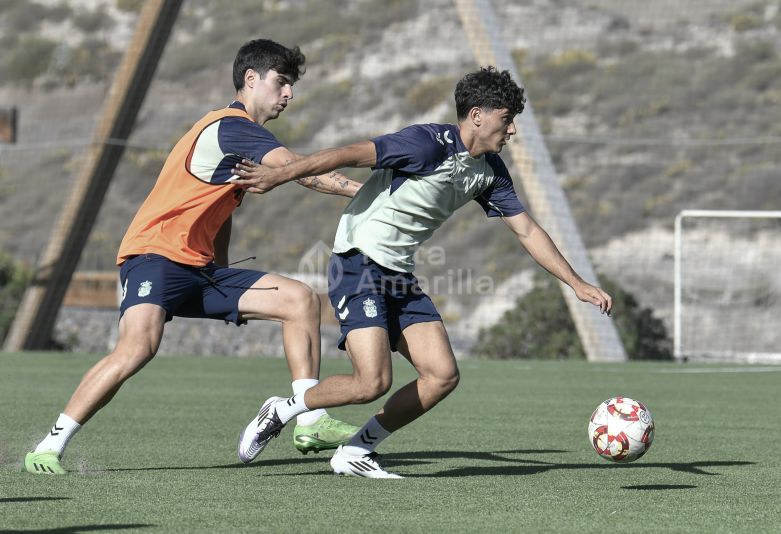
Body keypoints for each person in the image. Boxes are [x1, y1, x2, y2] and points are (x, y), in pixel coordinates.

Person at [232, 66, 613, 478]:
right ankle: (285, 408)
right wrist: (278, 174)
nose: (513, 130)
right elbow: (346, 154)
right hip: (358, 261)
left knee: (442, 375)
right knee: (371, 382)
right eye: (507, 119)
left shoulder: (490, 171)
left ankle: (357, 450)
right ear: (478, 116)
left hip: (398, 274)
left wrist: (576, 283)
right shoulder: (425, 144)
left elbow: (526, 229)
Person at [23, 39, 362, 475]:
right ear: (251, 79)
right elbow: (299, 171)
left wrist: (219, 265)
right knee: (137, 349)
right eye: (282, 83)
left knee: (299, 299)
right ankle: (49, 446)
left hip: (199, 269)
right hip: (155, 256)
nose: (288, 94)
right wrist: (368, 192)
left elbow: (220, 210)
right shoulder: (231, 126)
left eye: (291, 86)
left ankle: (310, 420)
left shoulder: (239, 142)